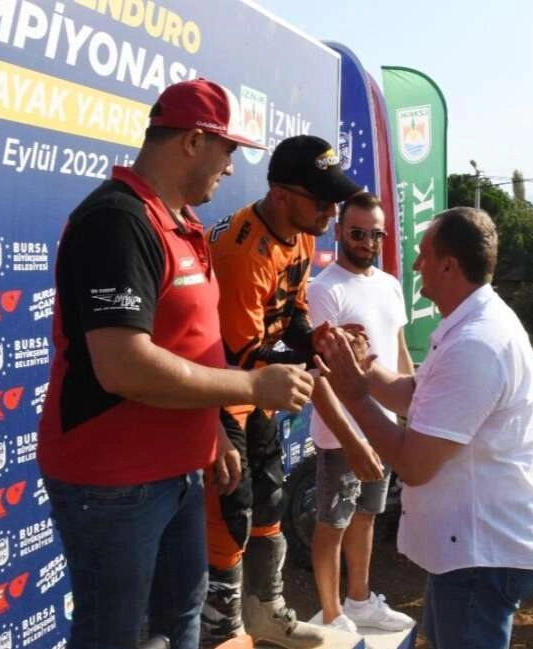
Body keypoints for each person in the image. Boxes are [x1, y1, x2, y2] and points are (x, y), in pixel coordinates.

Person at [37, 79, 315, 649]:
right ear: (192, 141)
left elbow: (187, 343)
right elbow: (123, 367)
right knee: (112, 637)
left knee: (181, 620)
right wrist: (250, 385)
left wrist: (212, 428)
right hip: (114, 481)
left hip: (177, 471)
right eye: (227, 150)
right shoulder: (117, 220)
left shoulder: (181, 223)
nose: (231, 168)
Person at [315, 207, 533, 649]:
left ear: (448, 266)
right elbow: (415, 394)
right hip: (471, 551)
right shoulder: (471, 326)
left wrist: (355, 395)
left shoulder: (476, 344)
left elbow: (414, 465)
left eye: (423, 255)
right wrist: (363, 368)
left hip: (480, 555)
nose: (414, 265)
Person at [202, 135, 362, 647]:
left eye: (334, 201)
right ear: (281, 195)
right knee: (231, 509)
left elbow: (291, 314)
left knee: (270, 498)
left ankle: (265, 610)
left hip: (257, 390)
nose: (331, 212)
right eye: (322, 201)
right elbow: (243, 354)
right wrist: (318, 363)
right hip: (219, 390)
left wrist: (320, 340)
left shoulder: (301, 233)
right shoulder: (242, 249)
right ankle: (222, 629)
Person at [307, 192, 415, 634]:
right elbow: (319, 373)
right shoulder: (323, 289)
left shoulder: (389, 284)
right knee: (332, 521)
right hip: (342, 434)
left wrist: (412, 410)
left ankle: (359, 600)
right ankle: (331, 613)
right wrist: (349, 438)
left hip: (382, 427)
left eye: (377, 234)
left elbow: (399, 350)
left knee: (367, 514)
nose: (368, 242)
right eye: (357, 233)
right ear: (339, 232)